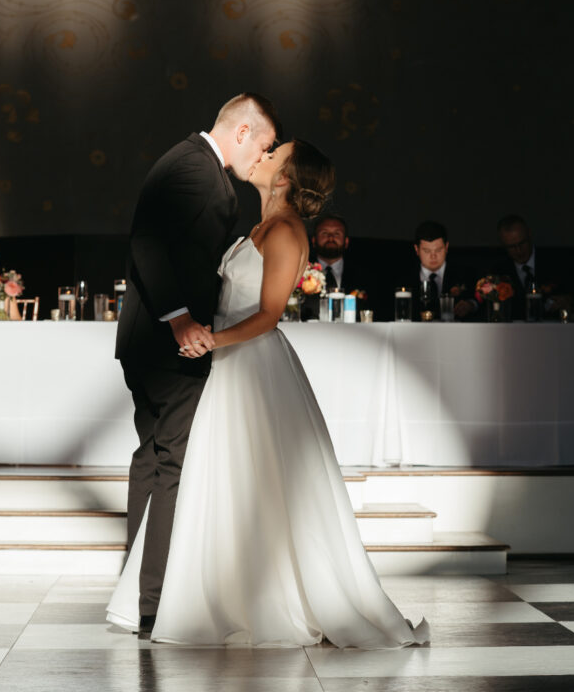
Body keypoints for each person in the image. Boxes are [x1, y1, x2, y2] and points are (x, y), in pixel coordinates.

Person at [108, 139, 429, 649]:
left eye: (275, 153)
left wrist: (212, 340)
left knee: (254, 482)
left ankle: (259, 598)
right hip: (229, 365)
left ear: (285, 178)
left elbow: (268, 316)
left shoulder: (284, 231)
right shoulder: (257, 226)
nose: (263, 154)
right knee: (218, 479)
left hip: (252, 366)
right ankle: (205, 592)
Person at [114, 93, 280, 637]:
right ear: (242, 132)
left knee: (153, 459)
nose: (264, 156)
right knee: (172, 466)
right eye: (264, 145)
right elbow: (147, 241)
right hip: (169, 345)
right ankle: (154, 602)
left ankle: (137, 591)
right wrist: (180, 317)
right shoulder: (193, 168)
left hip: (151, 344)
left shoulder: (196, 165)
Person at [492, 214, 574, 320]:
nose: (519, 251)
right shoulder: (499, 271)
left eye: (522, 243)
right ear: (503, 245)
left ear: (529, 235)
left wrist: (568, 300)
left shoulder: (557, 263)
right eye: (512, 247)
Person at [407, 220, 477, 320]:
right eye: (427, 251)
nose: (433, 256)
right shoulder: (404, 278)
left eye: (438, 250)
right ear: (416, 249)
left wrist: (470, 305)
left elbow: (479, 300)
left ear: (446, 247)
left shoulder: (464, 273)